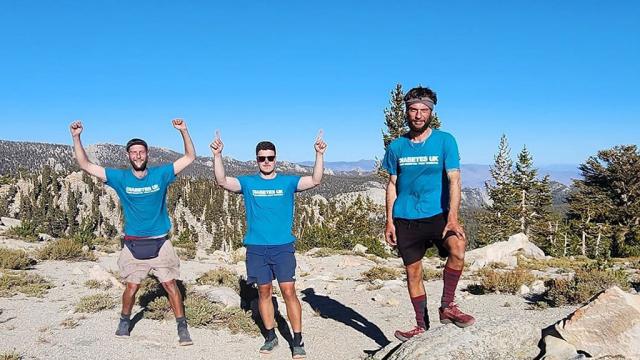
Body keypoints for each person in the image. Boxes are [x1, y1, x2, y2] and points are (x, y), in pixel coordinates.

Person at [69, 119, 196, 345]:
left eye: (141, 152)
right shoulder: (120, 178)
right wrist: (77, 137)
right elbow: (85, 165)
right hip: (133, 243)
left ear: (147, 154)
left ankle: (181, 325)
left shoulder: (161, 174)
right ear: (128, 156)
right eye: (133, 152)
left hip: (160, 242)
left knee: (170, 284)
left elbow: (189, 157)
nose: (137, 155)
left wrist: (184, 131)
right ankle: (124, 320)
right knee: (131, 287)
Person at [210, 130, 326, 359]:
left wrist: (319, 154)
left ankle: (297, 339)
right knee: (263, 292)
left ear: (275, 159)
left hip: (282, 246)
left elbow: (315, 180)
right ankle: (271, 336)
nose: (266, 162)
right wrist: (217, 155)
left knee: (288, 291)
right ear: (257, 160)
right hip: (256, 247)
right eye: (262, 158)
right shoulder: (248, 182)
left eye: (270, 158)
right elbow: (222, 181)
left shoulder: (287, 181)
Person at [382, 86, 475, 342]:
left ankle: (447, 306)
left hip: (438, 214)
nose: (418, 115)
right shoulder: (397, 147)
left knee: (458, 248)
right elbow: (392, 184)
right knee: (413, 273)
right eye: (413, 110)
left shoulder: (445, 140)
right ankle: (421, 326)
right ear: (407, 112)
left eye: (424, 110)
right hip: (406, 218)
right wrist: (389, 220)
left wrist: (453, 217)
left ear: (431, 112)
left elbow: (454, 179)